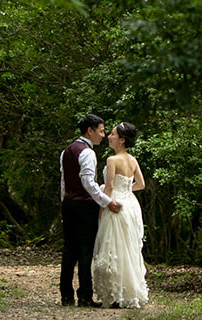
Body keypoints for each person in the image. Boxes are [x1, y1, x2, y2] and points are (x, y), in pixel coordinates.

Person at [60, 113, 121, 307]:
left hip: (69, 204)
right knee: (86, 251)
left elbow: (64, 181)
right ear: (90, 130)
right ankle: (85, 296)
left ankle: (66, 295)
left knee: (69, 251)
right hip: (84, 206)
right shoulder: (87, 152)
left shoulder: (67, 150)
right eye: (101, 131)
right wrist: (106, 201)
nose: (103, 135)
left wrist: (65, 200)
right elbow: (88, 182)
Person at [92, 121, 149, 309]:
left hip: (115, 203)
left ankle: (115, 293)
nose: (109, 136)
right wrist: (126, 190)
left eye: (113, 134)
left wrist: (102, 208)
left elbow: (108, 188)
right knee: (128, 248)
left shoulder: (112, 160)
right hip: (130, 205)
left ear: (122, 140)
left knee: (113, 248)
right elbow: (140, 184)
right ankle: (129, 292)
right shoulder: (132, 160)